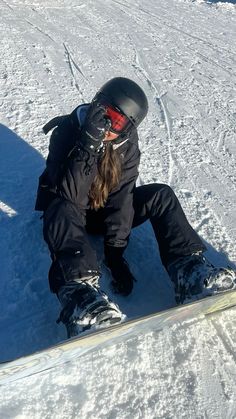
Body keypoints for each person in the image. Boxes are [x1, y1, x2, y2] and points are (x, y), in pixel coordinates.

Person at [35, 77, 235, 337]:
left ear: (128, 128)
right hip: (68, 216)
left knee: (161, 195)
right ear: (95, 104)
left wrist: (115, 254)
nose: (106, 125)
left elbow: (122, 198)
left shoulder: (126, 144)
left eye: (116, 122)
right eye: (103, 113)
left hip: (101, 212)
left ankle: (190, 272)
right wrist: (88, 144)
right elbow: (69, 194)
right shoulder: (68, 130)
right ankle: (80, 299)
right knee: (60, 205)